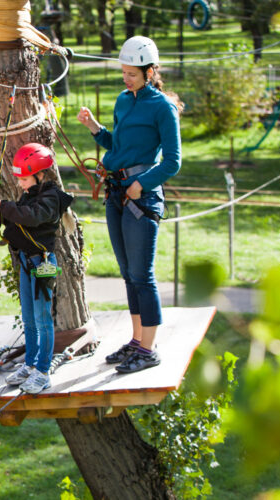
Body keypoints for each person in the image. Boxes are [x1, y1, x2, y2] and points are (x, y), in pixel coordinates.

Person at [76, 35, 182, 374]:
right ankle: (137, 341)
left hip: (140, 197)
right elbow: (116, 143)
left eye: (132, 74)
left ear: (149, 72)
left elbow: (173, 161)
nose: (126, 78)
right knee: (128, 275)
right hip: (116, 192)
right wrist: (95, 128)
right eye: (123, 72)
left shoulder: (162, 107)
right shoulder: (123, 100)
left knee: (142, 275)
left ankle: (149, 349)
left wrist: (142, 184)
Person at [0, 143, 74, 394]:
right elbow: (18, 215)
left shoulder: (50, 198)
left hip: (43, 262)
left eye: (23, 178)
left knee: (43, 320)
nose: (20, 183)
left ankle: (43, 371)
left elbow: (31, 216)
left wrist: (3, 205)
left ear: (39, 174)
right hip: (26, 261)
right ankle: (31, 364)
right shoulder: (30, 194)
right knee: (29, 318)